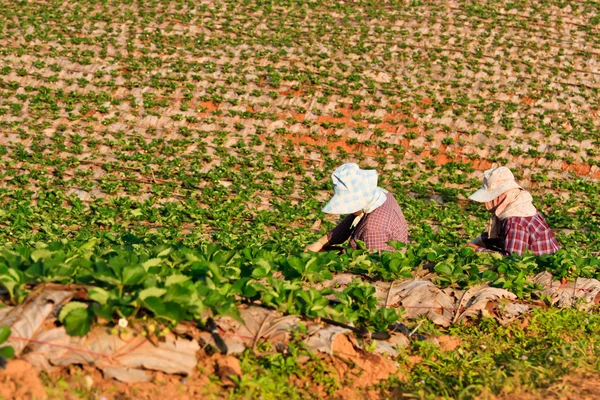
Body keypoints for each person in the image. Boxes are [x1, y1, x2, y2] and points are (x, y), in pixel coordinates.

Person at [305, 163, 408, 253]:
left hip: (371, 260)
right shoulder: (380, 195)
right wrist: (320, 242)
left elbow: (374, 265)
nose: (347, 209)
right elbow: (350, 221)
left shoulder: (373, 229)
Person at [467, 166, 560, 256]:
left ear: (501, 196)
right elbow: (510, 239)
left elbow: (511, 259)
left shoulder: (515, 222)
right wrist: (483, 240)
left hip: (541, 268)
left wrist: (476, 250)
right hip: (543, 260)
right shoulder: (524, 207)